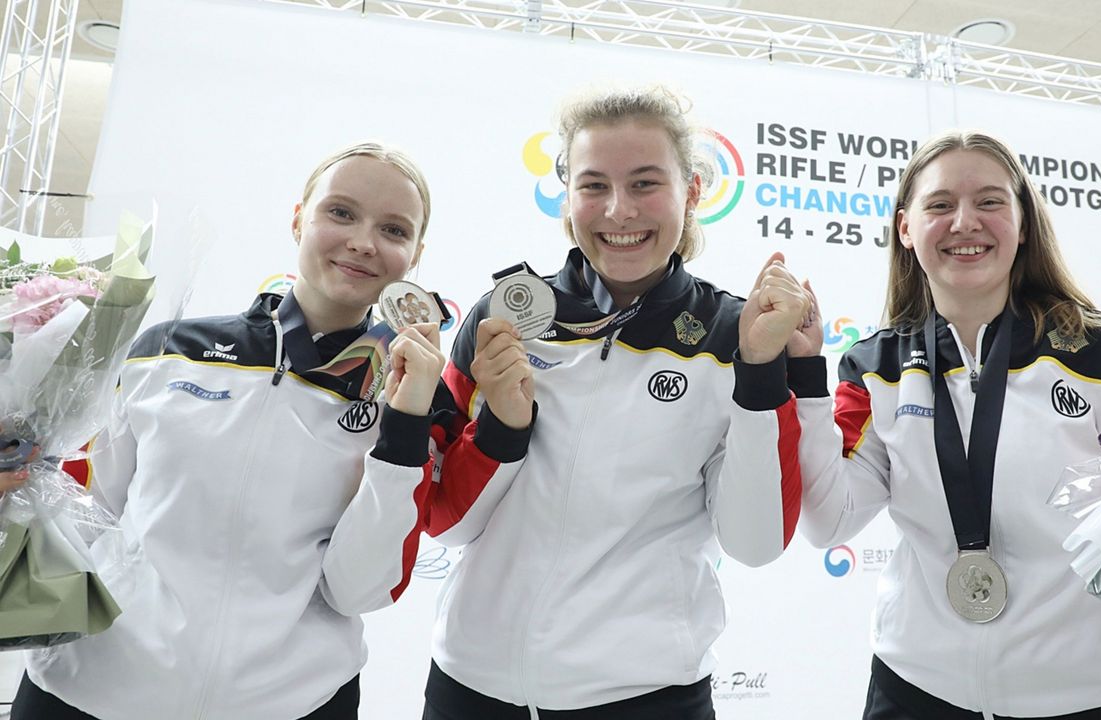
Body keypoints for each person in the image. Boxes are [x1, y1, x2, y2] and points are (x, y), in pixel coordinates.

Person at [766, 129, 1101, 720]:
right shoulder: (875, 367)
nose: (965, 222)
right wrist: (804, 373)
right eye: (940, 205)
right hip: (921, 691)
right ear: (906, 228)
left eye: (989, 201)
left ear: (1023, 223)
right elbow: (831, 521)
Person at [10, 141, 450, 720]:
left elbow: (359, 590)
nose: (364, 241)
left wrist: (403, 428)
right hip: (91, 690)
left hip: (291, 703)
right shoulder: (167, 350)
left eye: (393, 229)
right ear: (299, 219)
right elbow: (88, 515)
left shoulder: (412, 396)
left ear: (415, 255)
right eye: (341, 212)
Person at [421, 86, 809, 720]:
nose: (619, 210)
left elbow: (756, 542)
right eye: (594, 185)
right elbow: (446, 524)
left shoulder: (736, 336)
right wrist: (500, 427)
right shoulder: (503, 319)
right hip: (472, 685)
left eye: (645, 183)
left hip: (646, 696)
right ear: (567, 194)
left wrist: (761, 375)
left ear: (694, 189)